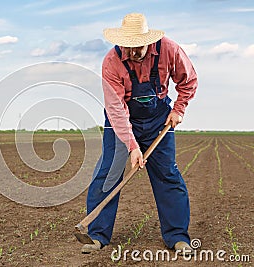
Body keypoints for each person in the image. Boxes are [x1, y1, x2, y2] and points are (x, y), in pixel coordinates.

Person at [81, 13, 198, 254]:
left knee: (167, 174)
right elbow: (116, 109)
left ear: (148, 40)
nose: (132, 52)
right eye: (128, 46)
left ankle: (177, 236)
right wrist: (133, 146)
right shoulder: (111, 61)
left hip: (158, 120)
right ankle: (96, 235)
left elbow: (189, 80)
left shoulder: (169, 49)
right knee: (108, 175)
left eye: (137, 46)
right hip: (120, 121)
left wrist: (179, 109)